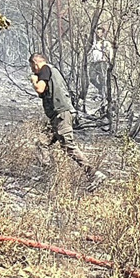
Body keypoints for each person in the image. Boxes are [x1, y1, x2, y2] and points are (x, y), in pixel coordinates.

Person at [29, 53, 106, 190]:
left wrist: (34, 80)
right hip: (57, 116)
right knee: (41, 142)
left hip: (61, 115)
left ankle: (94, 173)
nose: (32, 70)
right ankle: (47, 175)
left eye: (32, 67)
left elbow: (39, 88)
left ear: (35, 63)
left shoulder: (45, 69)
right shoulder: (53, 72)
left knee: (68, 146)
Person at [87, 26, 113, 100]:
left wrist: (109, 60)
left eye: (99, 32)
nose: (98, 34)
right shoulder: (93, 43)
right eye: (97, 32)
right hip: (93, 62)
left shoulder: (106, 43)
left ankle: (103, 95)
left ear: (103, 33)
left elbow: (110, 52)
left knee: (102, 79)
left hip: (102, 62)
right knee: (92, 78)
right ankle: (100, 89)